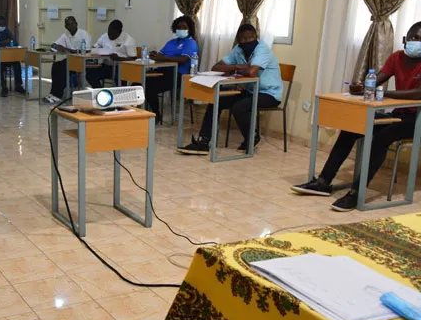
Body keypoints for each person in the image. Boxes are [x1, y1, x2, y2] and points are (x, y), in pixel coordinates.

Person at [292, 21, 421, 211]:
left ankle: (355, 192)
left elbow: (418, 94)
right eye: (413, 37)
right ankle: (323, 181)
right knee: (353, 128)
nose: (416, 41)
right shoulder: (396, 57)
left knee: (383, 136)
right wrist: (361, 87)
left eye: (420, 39)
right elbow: (376, 80)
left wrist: (383, 93)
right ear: (405, 39)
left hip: (416, 119)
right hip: (400, 112)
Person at [177, 24, 282, 155]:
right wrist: (237, 66)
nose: (247, 41)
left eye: (251, 38)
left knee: (239, 107)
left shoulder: (262, 50)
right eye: (243, 38)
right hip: (250, 91)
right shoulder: (238, 49)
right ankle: (203, 142)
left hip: (269, 94)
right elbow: (216, 67)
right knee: (216, 101)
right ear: (239, 40)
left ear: (257, 37)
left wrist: (235, 68)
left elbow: (251, 72)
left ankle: (252, 137)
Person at [146, 16, 200, 121]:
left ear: (190, 29)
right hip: (162, 71)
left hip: (179, 75)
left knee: (149, 87)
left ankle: (155, 116)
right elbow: (160, 55)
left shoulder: (191, 43)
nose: (181, 29)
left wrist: (164, 58)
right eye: (179, 27)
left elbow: (183, 59)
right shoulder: (171, 42)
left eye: (184, 27)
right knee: (138, 83)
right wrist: (154, 55)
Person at [44, 16, 93, 104]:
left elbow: (87, 51)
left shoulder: (84, 34)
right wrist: (56, 46)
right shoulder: (65, 35)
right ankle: (53, 93)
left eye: (71, 24)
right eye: (67, 25)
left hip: (82, 60)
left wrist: (67, 50)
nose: (69, 26)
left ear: (76, 24)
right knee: (56, 65)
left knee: (63, 67)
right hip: (71, 60)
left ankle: (58, 95)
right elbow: (54, 44)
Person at [89, 19, 137, 88]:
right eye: (108, 32)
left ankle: (119, 96)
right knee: (90, 74)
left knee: (119, 79)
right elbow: (94, 47)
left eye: (112, 34)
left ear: (119, 32)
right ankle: (101, 93)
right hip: (106, 66)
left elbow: (133, 59)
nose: (109, 35)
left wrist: (119, 58)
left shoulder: (128, 40)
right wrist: (97, 51)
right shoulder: (105, 36)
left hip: (121, 67)